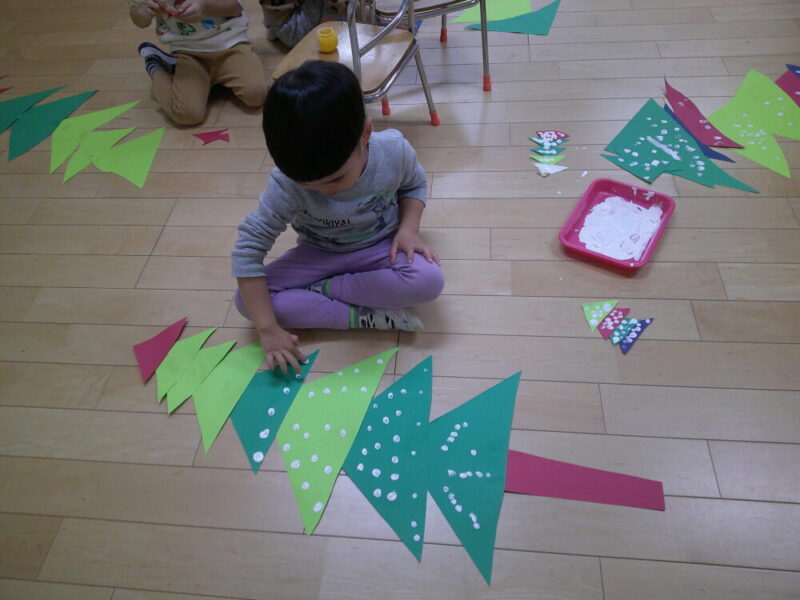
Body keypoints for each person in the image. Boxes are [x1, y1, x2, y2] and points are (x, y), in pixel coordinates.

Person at [232, 61, 444, 374]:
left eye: (336, 179)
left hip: (381, 245)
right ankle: (361, 316)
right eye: (308, 185)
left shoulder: (393, 150)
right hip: (318, 252)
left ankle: (324, 291)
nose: (327, 192)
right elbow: (247, 251)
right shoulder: (285, 182)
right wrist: (267, 330)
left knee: (429, 281)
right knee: (245, 302)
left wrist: (409, 230)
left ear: (366, 133)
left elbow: (413, 185)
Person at [129, 0, 267, 126]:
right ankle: (156, 66)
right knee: (187, 114)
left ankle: (214, 78)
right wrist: (144, 12)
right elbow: (138, 18)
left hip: (231, 42)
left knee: (256, 95)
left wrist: (205, 5)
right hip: (187, 51)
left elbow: (236, 6)